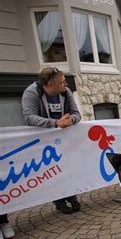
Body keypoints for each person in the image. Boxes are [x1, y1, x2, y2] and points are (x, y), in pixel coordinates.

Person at [22, 67, 82, 214]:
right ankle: (59, 200)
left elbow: (76, 114)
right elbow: (29, 117)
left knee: (66, 167)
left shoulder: (66, 93)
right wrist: (55, 123)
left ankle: (70, 194)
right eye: (62, 82)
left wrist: (70, 120)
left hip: (63, 139)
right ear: (50, 85)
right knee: (52, 170)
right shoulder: (31, 93)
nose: (66, 85)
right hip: (44, 141)